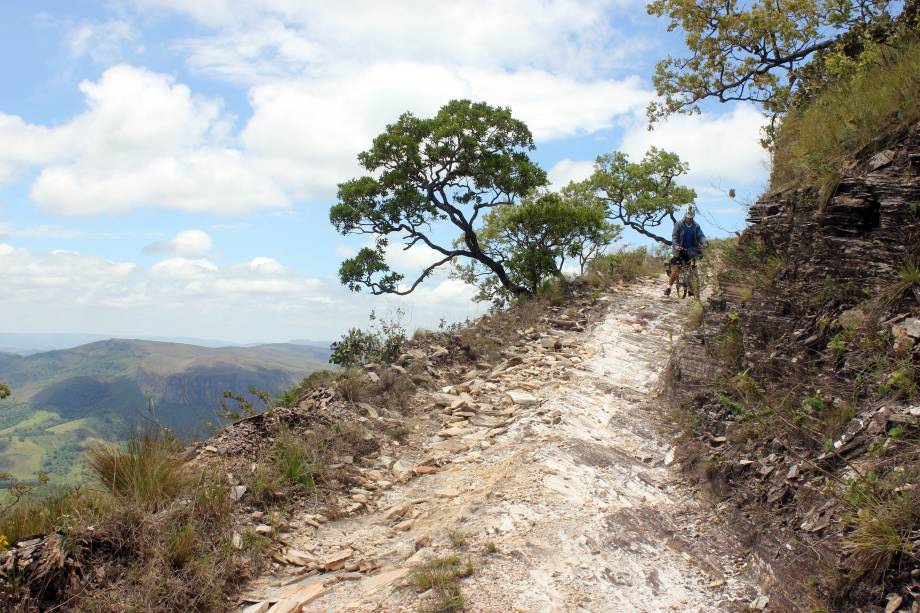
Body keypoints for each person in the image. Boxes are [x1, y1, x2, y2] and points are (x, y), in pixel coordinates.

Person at [664, 206, 705, 296]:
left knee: (693, 270)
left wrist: (704, 242)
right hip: (680, 251)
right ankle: (668, 288)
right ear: (685, 216)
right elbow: (674, 236)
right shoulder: (678, 224)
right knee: (676, 270)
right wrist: (676, 245)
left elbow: (701, 236)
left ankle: (692, 289)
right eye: (688, 218)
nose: (689, 220)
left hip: (691, 251)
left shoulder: (696, 226)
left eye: (691, 218)